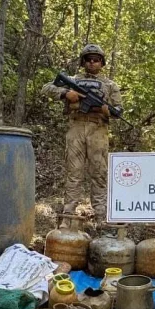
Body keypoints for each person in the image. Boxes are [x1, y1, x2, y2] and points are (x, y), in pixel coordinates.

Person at [42, 43, 122, 223]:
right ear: (83, 61)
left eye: (96, 60)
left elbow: (118, 109)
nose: (92, 63)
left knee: (99, 172)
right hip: (76, 127)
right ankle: (68, 215)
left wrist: (107, 110)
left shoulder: (110, 85)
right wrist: (65, 94)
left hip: (98, 130)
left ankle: (101, 216)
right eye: (89, 59)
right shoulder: (73, 80)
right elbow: (46, 88)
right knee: (74, 172)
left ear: (102, 63)